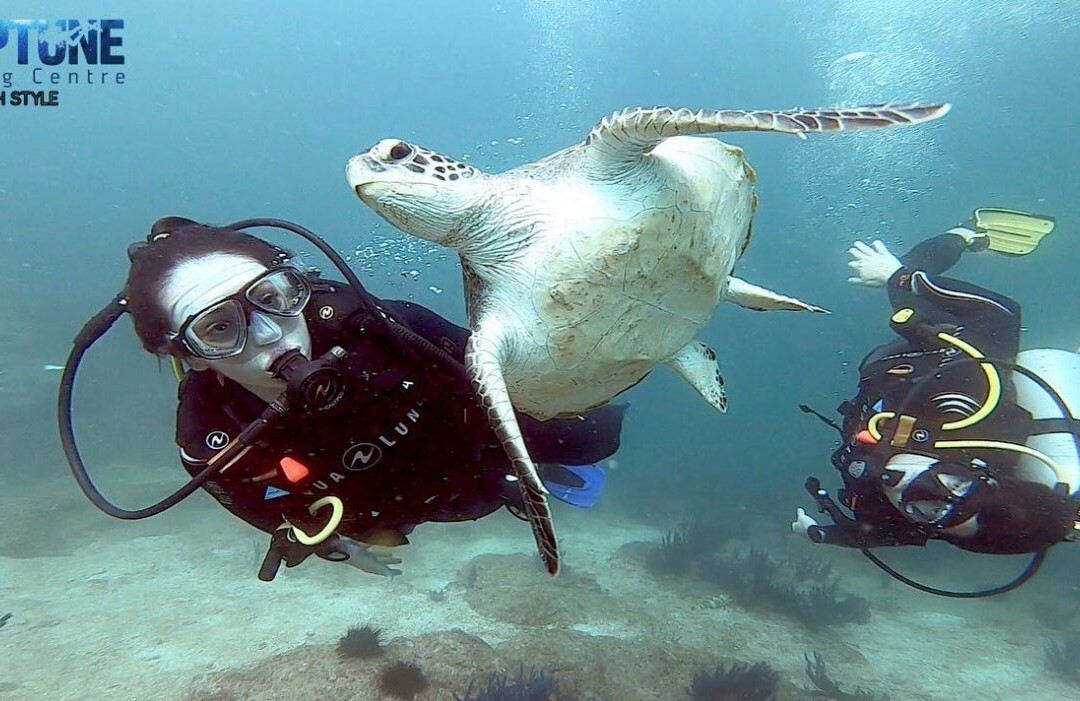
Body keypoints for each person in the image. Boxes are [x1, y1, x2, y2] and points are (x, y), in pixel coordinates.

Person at [67, 217, 625, 581]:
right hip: (400, 506)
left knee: (594, 437)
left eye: (271, 298)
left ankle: (528, 477)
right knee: (381, 532)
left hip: (485, 447)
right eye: (218, 329)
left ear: (295, 284)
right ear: (187, 355)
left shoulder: (379, 326)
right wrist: (338, 547)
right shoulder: (213, 436)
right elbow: (271, 514)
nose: (268, 335)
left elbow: (498, 373)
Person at [790, 208, 1080, 594]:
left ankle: (951, 242)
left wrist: (819, 534)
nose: (904, 483)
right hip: (933, 358)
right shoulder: (969, 408)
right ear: (976, 469)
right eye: (952, 484)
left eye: (925, 510)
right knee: (913, 285)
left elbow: (885, 533)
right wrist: (900, 279)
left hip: (887, 378)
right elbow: (1003, 314)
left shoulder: (908, 510)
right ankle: (967, 234)